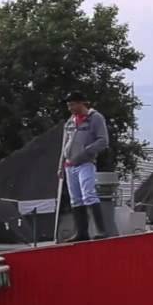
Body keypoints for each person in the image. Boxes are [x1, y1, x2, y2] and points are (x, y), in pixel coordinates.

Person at [57, 91, 110, 241]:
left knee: (89, 194)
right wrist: (61, 165)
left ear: (81, 103)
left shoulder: (95, 118)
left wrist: (85, 152)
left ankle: (101, 230)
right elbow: (64, 145)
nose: (70, 108)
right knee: (75, 199)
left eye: (72, 104)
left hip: (85, 162)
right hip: (69, 164)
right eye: (68, 105)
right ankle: (81, 232)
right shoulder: (70, 122)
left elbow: (103, 141)